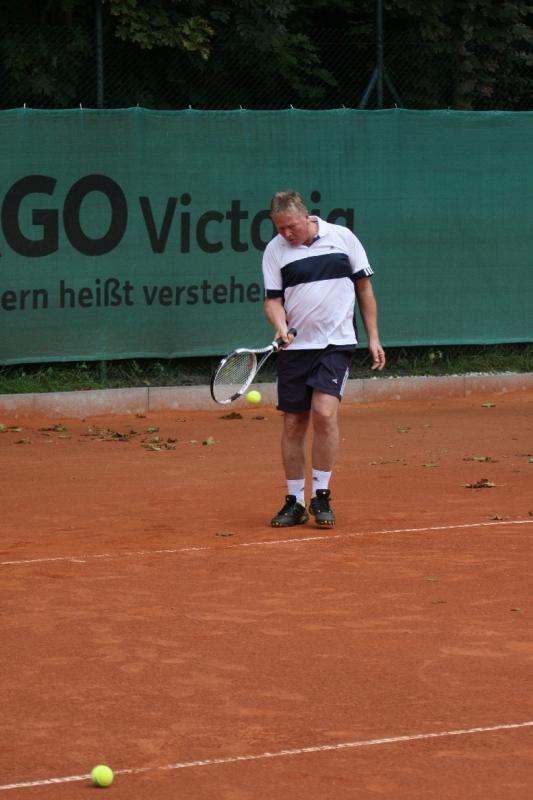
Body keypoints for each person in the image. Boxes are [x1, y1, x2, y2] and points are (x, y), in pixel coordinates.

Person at [262, 190, 386, 528]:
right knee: (293, 423)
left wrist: (374, 337)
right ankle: (294, 501)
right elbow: (272, 301)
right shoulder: (275, 250)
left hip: (336, 343)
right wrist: (280, 327)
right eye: (279, 228)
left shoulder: (342, 238)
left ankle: (321, 495)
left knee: (324, 414)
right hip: (295, 349)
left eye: (291, 226)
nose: (286, 233)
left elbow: (364, 289)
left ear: (306, 216)